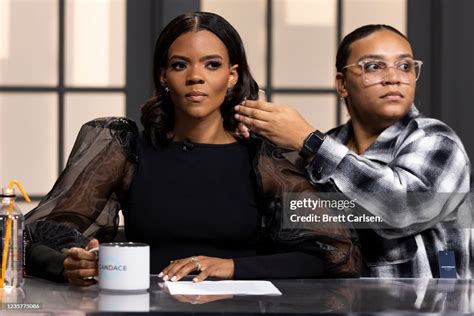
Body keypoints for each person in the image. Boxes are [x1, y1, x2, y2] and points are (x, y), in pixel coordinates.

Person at [24, 12, 359, 286]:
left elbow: (331, 255)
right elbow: (38, 233)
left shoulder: (264, 158)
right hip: (145, 307)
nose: (195, 76)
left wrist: (229, 267)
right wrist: (74, 259)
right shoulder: (125, 149)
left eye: (212, 65)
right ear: (164, 76)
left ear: (232, 76)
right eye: (180, 65)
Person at [234, 24, 472, 278]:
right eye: (374, 66)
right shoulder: (326, 148)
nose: (394, 77)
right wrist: (258, 148)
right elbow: (295, 221)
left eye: (405, 66)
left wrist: (309, 141)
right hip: (343, 304)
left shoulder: (436, 141)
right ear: (342, 84)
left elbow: (402, 208)